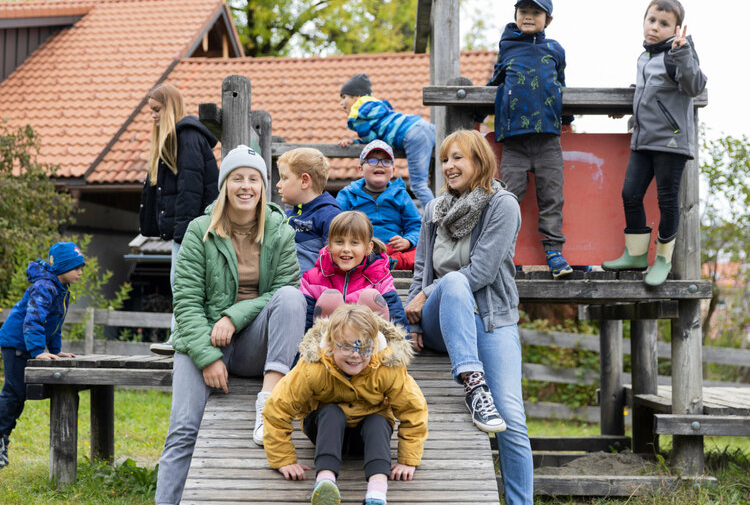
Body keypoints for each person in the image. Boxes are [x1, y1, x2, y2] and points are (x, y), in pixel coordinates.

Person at [154, 145, 306, 505]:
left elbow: (285, 290)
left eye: (253, 179)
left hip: (254, 343)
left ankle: (269, 406)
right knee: (184, 428)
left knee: (291, 299)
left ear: (263, 187)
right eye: (237, 177)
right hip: (202, 338)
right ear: (224, 185)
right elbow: (186, 302)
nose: (246, 186)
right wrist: (206, 356)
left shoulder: (280, 232)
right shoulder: (199, 231)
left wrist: (234, 316)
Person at [405, 129, 533, 504]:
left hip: (492, 318)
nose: (448, 166)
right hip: (440, 319)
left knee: (511, 414)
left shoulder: (502, 205)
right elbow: (421, 271)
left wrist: (428, 290)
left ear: (480, 161)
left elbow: (483, 270)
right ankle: (474, 384)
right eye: (444, 159)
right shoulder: (433, 209)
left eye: (457, 158)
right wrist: (413, 317)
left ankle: (520, 501)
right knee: (455, 285)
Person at [262, 304, 428, 505]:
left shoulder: (387, 367)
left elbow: (414, 409)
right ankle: (325, 481)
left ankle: (377, 490)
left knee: (378, 420)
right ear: (331, 345)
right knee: (332, 412)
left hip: (366, 438)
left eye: (364, 347)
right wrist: (283, 459)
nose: (355, 355)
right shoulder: (313, 367)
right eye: (347, 346)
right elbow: (277, 406)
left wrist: (408, 460)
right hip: (325, 431)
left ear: (374, 344)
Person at [603, 0, 707, 286]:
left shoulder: (679, 53)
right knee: (630, 194)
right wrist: (628, 102)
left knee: (667, 200)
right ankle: (636, 254)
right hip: (643, 139)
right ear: (644, 21)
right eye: (652, 20)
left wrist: (682, 52)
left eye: (664, 24)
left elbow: (694, 85)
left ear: (676, 29)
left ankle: (662, 259)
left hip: (671, 142)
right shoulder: (646, 57)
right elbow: (651, 90)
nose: (655, 27)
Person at [479, 0, 574, 278]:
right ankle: (501, 253)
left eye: (536, 12)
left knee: (552, 197)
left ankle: (554, 252)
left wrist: (567, 118)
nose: (529, 16)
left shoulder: (555, 50)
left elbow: (561, 86)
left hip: (547, 138)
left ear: (549, 19)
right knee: (507, 198)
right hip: (515, 142)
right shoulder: (508, 47)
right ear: (516, 15)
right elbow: (496, 81)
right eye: (524, 11)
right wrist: (476, 116)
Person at [138, 83, 219, 355]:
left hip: (191, 230)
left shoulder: (186, 138)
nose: (153, 116)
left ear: (170, 107)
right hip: (187, 229)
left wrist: (183, 232)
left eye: (157, 110)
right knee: (182, 283)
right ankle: (181, 336)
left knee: (183, 283)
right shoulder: (178, 140)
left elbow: (190, 189)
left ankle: (181, 338)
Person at [0, 242, 85, 469]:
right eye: (76, 267)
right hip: (17, 343)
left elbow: (54, 325)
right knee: (14, 393)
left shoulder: (61, 289)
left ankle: (2, 437)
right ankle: (0, 438)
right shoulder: (44, 287)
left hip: (29, 343)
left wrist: (55, 351)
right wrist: (38, 351)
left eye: (81, 268)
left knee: (20, 395)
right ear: (61, 267)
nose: (80, 272)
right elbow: (34, 320)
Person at [338, 73, 435, 210]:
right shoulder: (378, 107)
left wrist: (356, 142)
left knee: (418, 184)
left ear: (357, 97)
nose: (341, 103)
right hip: (423, 125)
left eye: (344, 97)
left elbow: (374, 144)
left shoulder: (359, 116)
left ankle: (438, 222)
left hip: (411, 134)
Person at [337, 140, 421, 270]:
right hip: (360, 247)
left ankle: (389, 262)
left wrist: (407, 241)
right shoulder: (348, 194)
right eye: (372, 161)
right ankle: (375, 262)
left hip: (392, 249)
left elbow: (415, 224)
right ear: (360, 169)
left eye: (386, 161)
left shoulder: (400, 195)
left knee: (423, 252)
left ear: (393, 170)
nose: (380, 165)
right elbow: (337, 223)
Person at [276, 147, 341, 275]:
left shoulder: (330, 216)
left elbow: (337, 260)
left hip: (312, 288)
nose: (278, 184)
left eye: (284, 178)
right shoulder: (285, 216)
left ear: (305, 181)